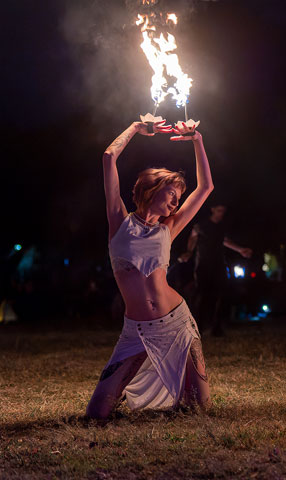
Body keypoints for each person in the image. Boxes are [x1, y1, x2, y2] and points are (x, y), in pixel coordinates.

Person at [86, 120, 213, 419]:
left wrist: (197, 139)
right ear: (151, 189)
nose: (176, 201)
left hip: (177, 324)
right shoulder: (119, 222)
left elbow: (206, 187)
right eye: (171, 193)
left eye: (178, 197)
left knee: (199, 409)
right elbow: (108, 157)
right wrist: (134, 128)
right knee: (96, 414)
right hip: (137, 331)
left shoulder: (169, 229)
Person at [179, 204, 252, 336]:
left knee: (220, 295)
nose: (221, 213)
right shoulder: (201, 225)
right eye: (219, 210)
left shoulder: (221, 226)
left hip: (219, 265)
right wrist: (189, 252)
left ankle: (216, 327)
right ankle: (198, 326)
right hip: (203, 265)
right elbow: (193, 237)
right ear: (212, 209)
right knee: (201, 295)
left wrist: (240, 250)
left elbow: (224, 240)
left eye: (223, 211)